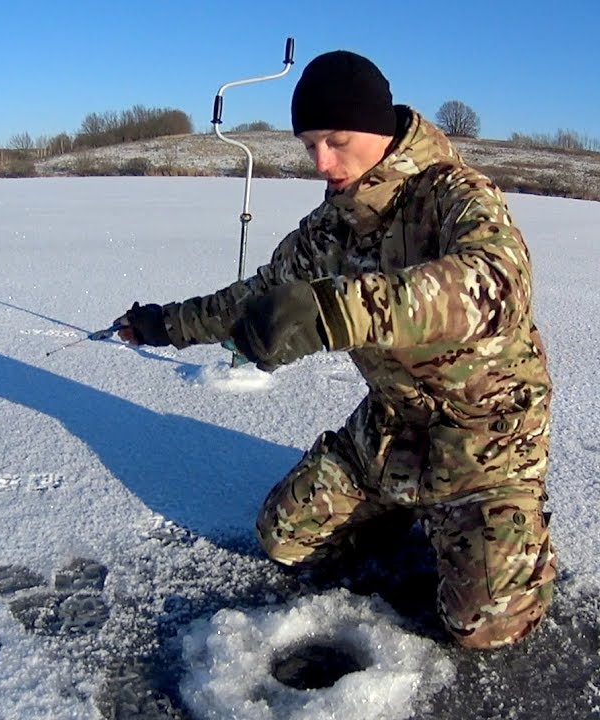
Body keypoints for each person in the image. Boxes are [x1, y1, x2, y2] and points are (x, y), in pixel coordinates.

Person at [112, 50, 556, 649]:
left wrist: (337, 312)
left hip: (487, 437)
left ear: (378, 129)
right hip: (391, 432)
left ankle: (508, 525)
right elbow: (256, 296)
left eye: (337, 140)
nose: (322, 162)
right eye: (309, 146)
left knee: (484, 623)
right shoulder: (331, 229)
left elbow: (498, 284)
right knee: (284, 536)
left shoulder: (456, 196)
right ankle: (402, 506)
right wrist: (164, 324)